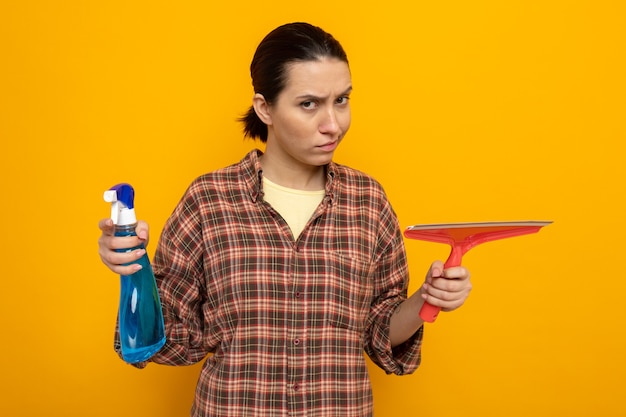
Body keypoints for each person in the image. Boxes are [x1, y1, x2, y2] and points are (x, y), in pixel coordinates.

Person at [98, 22, 472, 417]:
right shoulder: (208, 200)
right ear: (265, 108)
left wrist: (427, 298)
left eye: (341, 100)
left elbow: (378, 331)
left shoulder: (368, 202)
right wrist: (131, 270)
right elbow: (165, 339)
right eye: (309, 104)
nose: (333, 123)